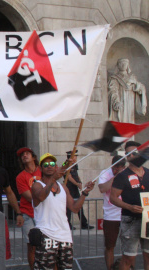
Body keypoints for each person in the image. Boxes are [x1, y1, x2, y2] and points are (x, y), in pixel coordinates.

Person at [32, 153, 94, 270]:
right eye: (46, 164)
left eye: (52, 164)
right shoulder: (37, 185)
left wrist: (85, 193)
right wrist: (53, 179)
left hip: (65, 237)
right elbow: (41, 197)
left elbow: (75, 208)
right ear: (40, 168)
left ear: (56, 167)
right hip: (46, 235)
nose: (49, 166)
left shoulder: (63, 187)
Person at [110, 141, 149, 270]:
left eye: (134, 153)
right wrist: (129, 207)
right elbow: (113, 198)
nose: (131, 156)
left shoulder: (148, 173)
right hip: (131, 220)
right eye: (128, 154)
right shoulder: (122, 176)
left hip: (147, 219)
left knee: (148, 255)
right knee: (128, 258)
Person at [98, 155, 126, 270]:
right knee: (110, 245)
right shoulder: (105, 173)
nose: (116, 170)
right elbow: (102, 189)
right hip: (111, 215)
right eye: (114, 168)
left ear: (124, 167)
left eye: (119, 169)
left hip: (125, 214)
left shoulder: (128, 174)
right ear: (112, 165)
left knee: (128, 246)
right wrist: (115, 176)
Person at [15, 147, 40, 270]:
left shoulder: (44, 171)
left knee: (48, 245)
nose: (24, 156)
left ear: (34, 157)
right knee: (32, 246)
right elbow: (30, 198)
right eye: (22, 155)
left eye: (27, 153)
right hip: (28, 214)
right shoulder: (20, 177)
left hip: (44, 214)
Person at [108, 58, 147, 123]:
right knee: (120, 119)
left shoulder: (132, 77)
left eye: (125, 63)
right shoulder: (114, 78)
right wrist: (116, 101)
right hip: (120, 101)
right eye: (121, 63)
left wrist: (135, 84)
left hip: (130, 101)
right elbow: (113, 90)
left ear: (128, 65)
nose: (123, 65)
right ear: (118, 65)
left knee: (130, 119)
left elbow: (141, 88)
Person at [65, 150, 94, 230]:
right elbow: (69, 177)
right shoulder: (66, 164)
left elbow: (76, 175)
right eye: (75, 156)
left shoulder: (74, 165)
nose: (76, 158)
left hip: (74, 188)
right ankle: (68, 224)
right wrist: (77, 184)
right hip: (69, 188)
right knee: (69, 208)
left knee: (79, 205)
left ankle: (84, 224)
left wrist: (80, 182)